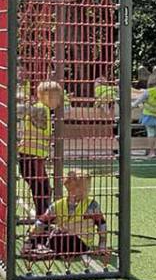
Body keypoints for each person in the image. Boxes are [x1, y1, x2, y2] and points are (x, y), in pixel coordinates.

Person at [29, 169, 107, 258]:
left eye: (87, 188)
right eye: (81, 188)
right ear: (69, 187)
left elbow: (102, 224)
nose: (85, 191)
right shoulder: (58, 204)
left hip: (80, 242)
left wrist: (102, 245)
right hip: (60, 236)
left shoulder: (91, 205)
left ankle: (45, 249)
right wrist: (31, 234)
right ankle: (42, 247)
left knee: (62, 238)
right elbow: (42, 221)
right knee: (44, 231)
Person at [18, 81, 62, 216]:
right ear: (48, 96)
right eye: (57, 97)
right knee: (42, 190)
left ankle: (42, 220)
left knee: (42, 190)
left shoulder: (44, 110)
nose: (59, 101)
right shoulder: (41, 109)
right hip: (32, 158)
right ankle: (42, 222)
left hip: (31, 157)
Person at [132, 70, 156, 159]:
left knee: (150, 133)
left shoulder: (148, 91)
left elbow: (138, 102)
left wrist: (132, 106)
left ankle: (152, 152)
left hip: (148, 114)